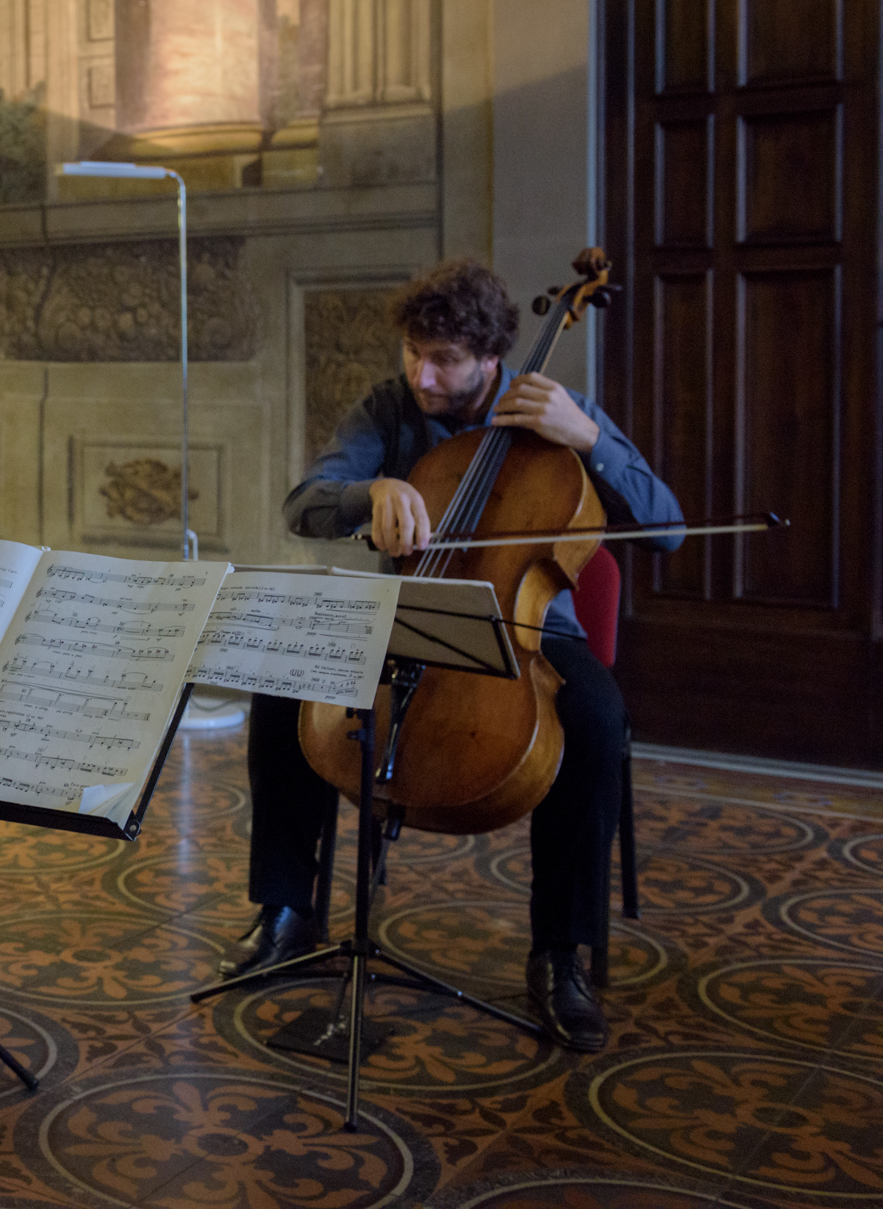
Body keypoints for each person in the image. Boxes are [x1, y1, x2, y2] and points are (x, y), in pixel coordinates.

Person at [226, 258, 682, 1053]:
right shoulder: (391, 407)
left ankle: (559, 955)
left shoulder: (556, 414)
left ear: (490, 358)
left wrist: (591, 439)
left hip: (528, 632)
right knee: (281, 681)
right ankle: (287, 909)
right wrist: (367, 494)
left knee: (596, 720)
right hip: (403, 614)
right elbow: (305, 502)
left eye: (443, 360)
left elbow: (667, 526)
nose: (421, 373)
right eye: (413, 353)